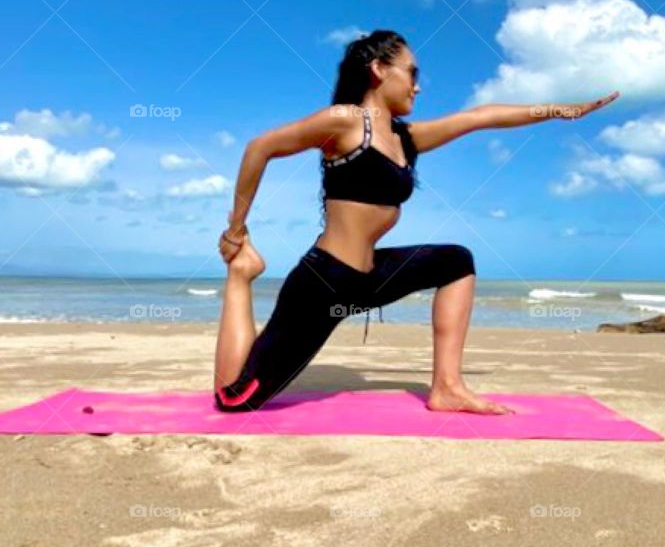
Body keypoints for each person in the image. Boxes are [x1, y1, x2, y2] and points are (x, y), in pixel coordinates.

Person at [212, 29, 618, 414]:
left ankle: (447, 387)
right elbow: (259, 147)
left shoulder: (406, 139)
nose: (417, 86)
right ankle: (241, 276)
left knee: (456, 261)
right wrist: (236, 229)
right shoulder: (345, 120)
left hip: (369, 279)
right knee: (237, 398)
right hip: (325, 284)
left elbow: (481, 117)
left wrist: (559, 111)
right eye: (411, 72)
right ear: (378, 70)